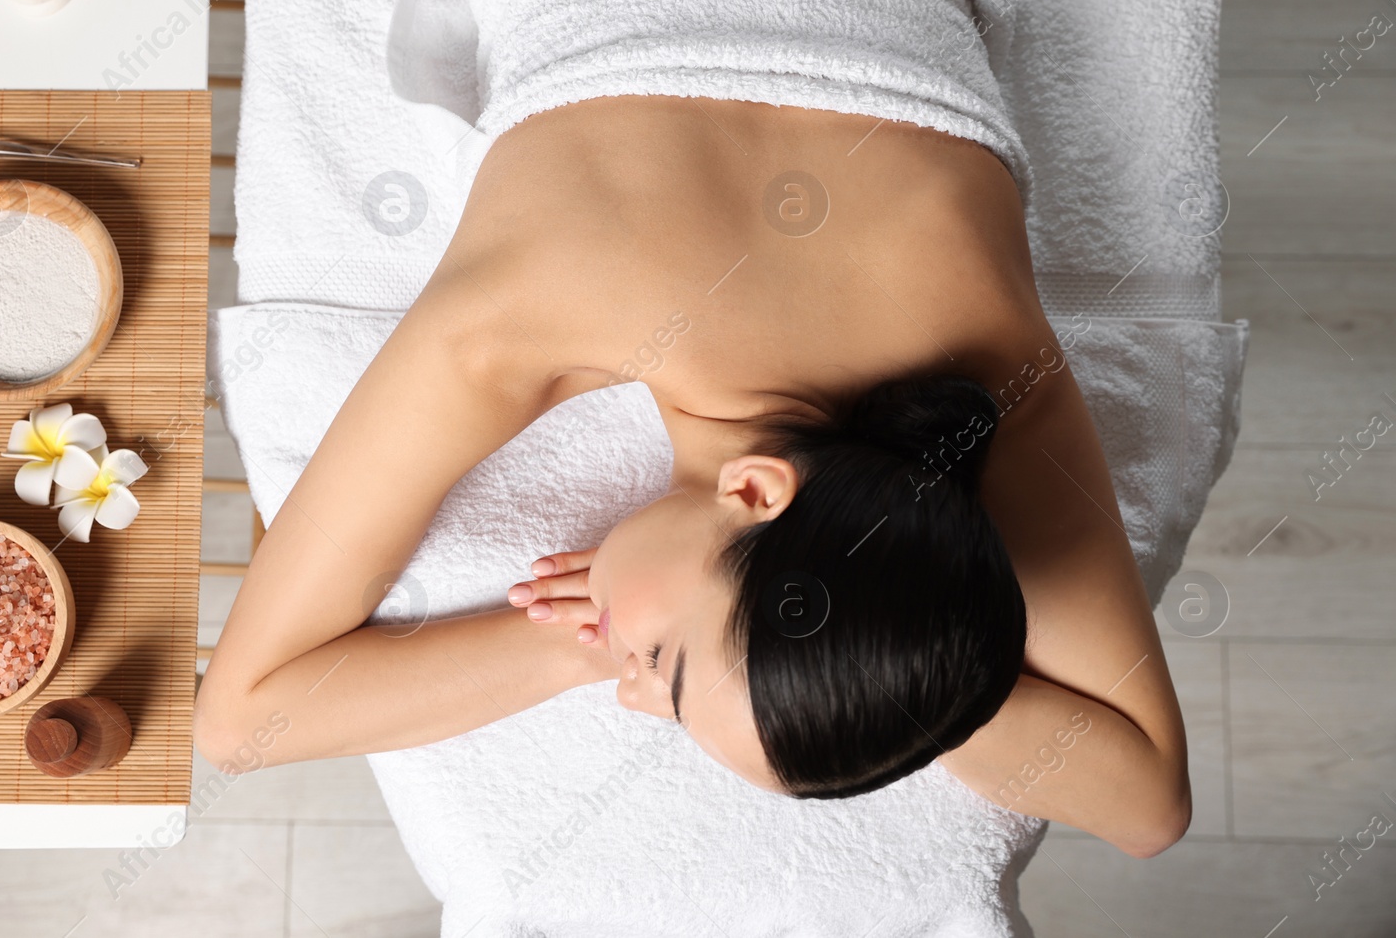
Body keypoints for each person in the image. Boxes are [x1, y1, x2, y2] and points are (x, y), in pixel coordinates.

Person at [196, 93, 1191, 859]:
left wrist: (878, 649)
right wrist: (580, 647)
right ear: (756, 493)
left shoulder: (980, 376)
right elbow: (241, 719)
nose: (631, 674)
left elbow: (1151, 804)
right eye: (661, 662)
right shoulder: (520, 318)